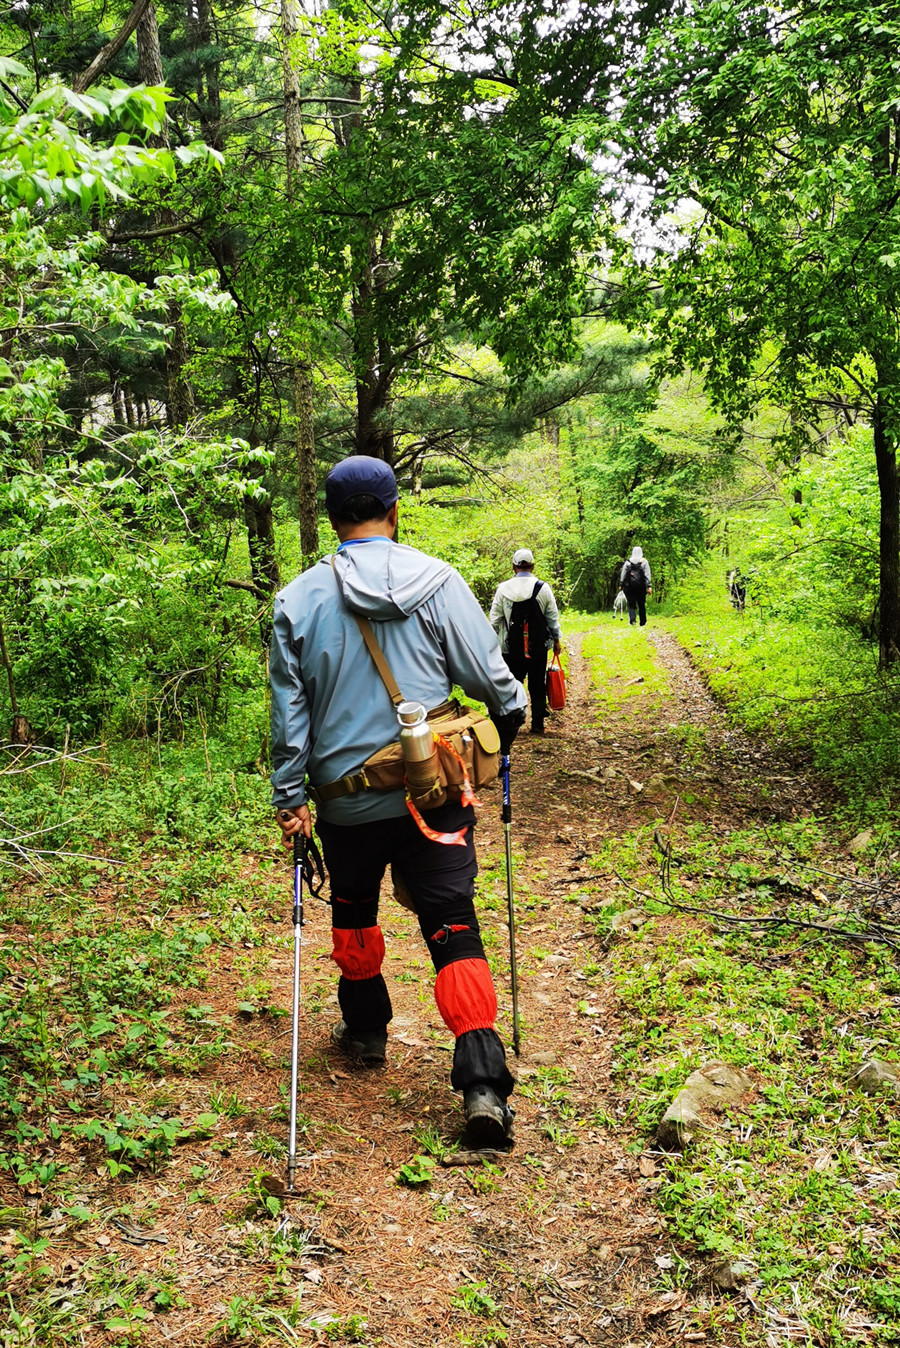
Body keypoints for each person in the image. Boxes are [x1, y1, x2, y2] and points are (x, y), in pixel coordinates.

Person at [270, 456, 527, 1148]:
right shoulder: (437, 581)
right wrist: (504, 728)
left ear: (331, 518)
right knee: (450, 919)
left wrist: (289, 798)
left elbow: (290, 720)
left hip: (346, 800)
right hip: (433, 788)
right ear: (394, 511)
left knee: (353, 906)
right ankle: (481, 1078)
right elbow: (495, 684)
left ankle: (364, 1030)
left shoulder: (297, 600)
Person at [489, 548, 562, 735]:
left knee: (512, 684)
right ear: (532, 566)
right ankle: (537, 724)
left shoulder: (503, 589)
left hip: (509, 648)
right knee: (537, 684)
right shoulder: (543, 588)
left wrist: (490, 644)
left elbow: (495, 620)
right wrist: (556, 640)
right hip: (537, 647)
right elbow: (552, 617)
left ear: (513, 566)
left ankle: (511, 723)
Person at [620, 546, 652, 626]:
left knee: (631, 603)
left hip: (630, 586)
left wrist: (621, 584)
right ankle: (643, 622)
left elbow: (623, 574)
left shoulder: (628, 562)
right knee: (641, 604)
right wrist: (648, 586)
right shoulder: (644, 562)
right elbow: (647, 574)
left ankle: (632, 620)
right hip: (641, 586)